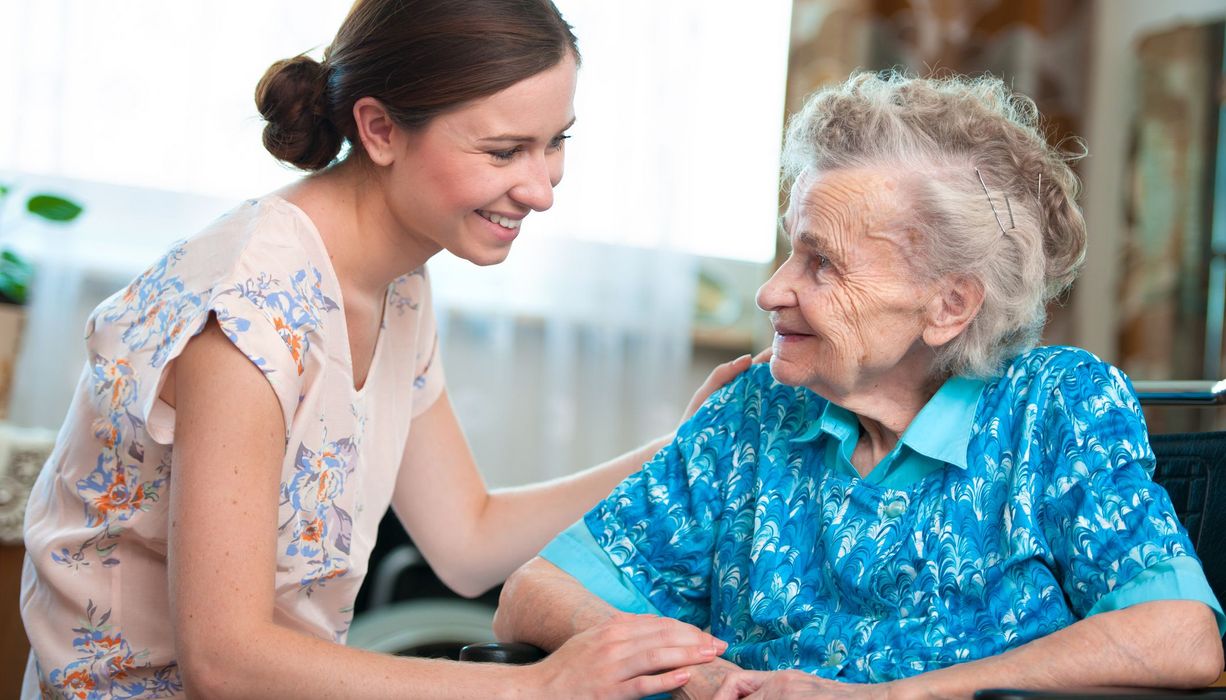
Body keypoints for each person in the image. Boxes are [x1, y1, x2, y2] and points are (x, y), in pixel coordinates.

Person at [20, 1, 746, 697]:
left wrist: (681, 446)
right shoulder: (248, 311)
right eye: (503, 150)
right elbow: (224, 663)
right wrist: (533, 688)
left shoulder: (396, 286)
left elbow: (468, 540)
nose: (541, 188)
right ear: (379, 129)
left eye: (556, 141)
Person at [494, 70, 1226, 699]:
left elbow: (1178, 636)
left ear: (949, 306)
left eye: (822, 263)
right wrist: (688, 672)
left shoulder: (1055, 407)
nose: (772, 292)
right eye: (790, 249)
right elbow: (533, 595)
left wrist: (891, 697)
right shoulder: (758, 409)